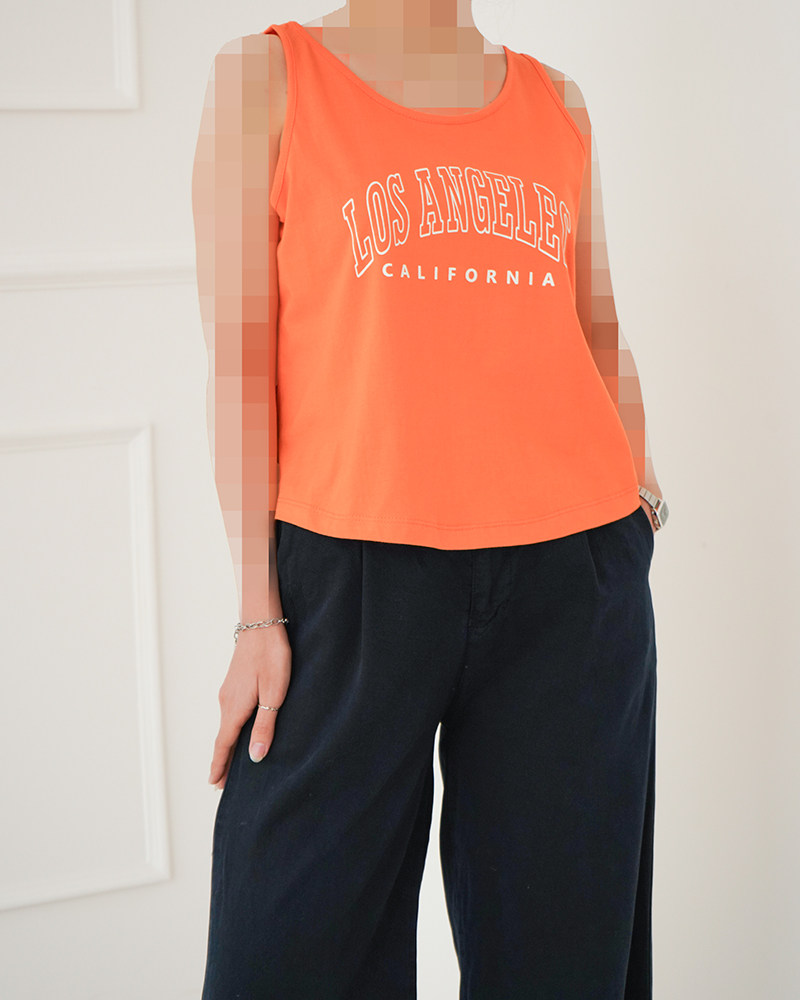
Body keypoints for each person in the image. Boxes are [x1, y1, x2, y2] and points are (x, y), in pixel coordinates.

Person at [191, 2, 669, 997]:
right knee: (286, 948)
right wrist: (255, 610)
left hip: (572, 580)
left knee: (563, 961)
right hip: (348, 580)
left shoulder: (557, 101)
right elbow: (240, 363)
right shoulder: (266, 80)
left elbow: (596, 326)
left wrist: (640, 495)